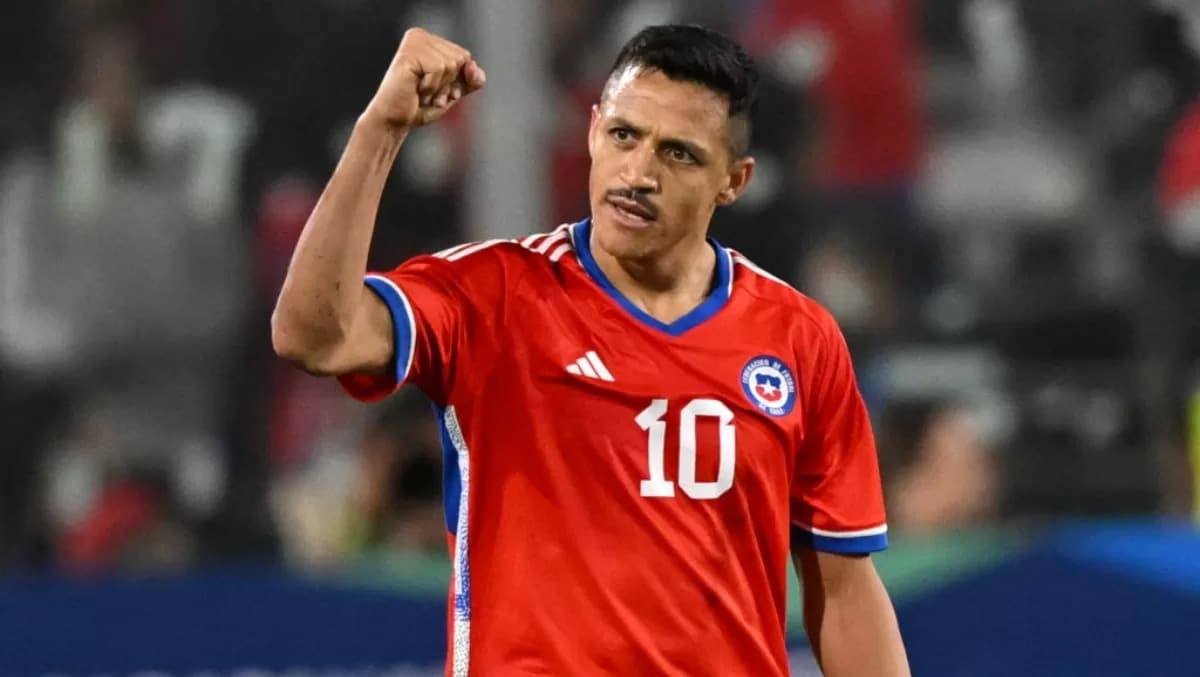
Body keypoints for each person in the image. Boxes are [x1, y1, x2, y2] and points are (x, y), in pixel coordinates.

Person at [272, 24, 908, 676]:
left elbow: (844, 588)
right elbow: (312, 336)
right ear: (593, 129)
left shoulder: (799, 339)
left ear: (732, 180)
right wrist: (380, 131)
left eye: (679, 154)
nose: (639, 173)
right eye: (625, 135)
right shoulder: (493, 296)